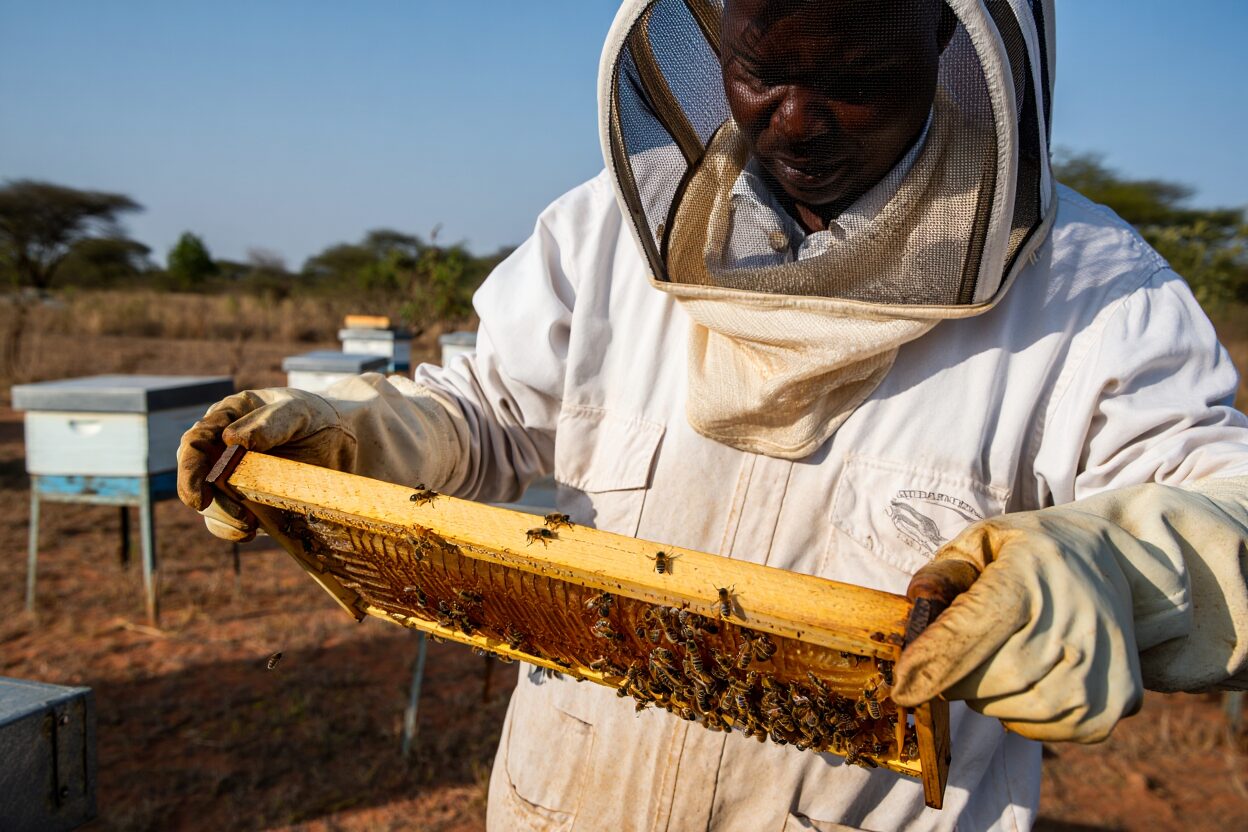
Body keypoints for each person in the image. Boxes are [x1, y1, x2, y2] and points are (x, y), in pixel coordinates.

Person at [178, 1, 1248, 829]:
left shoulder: (1092, 288)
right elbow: (490, 415)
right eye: (759, 69)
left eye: (855, 76)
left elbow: (1228, 507)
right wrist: (346, 433)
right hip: (569, 798)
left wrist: (1110, 566)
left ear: (944, 44)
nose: (796, 119)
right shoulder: (607, 230)